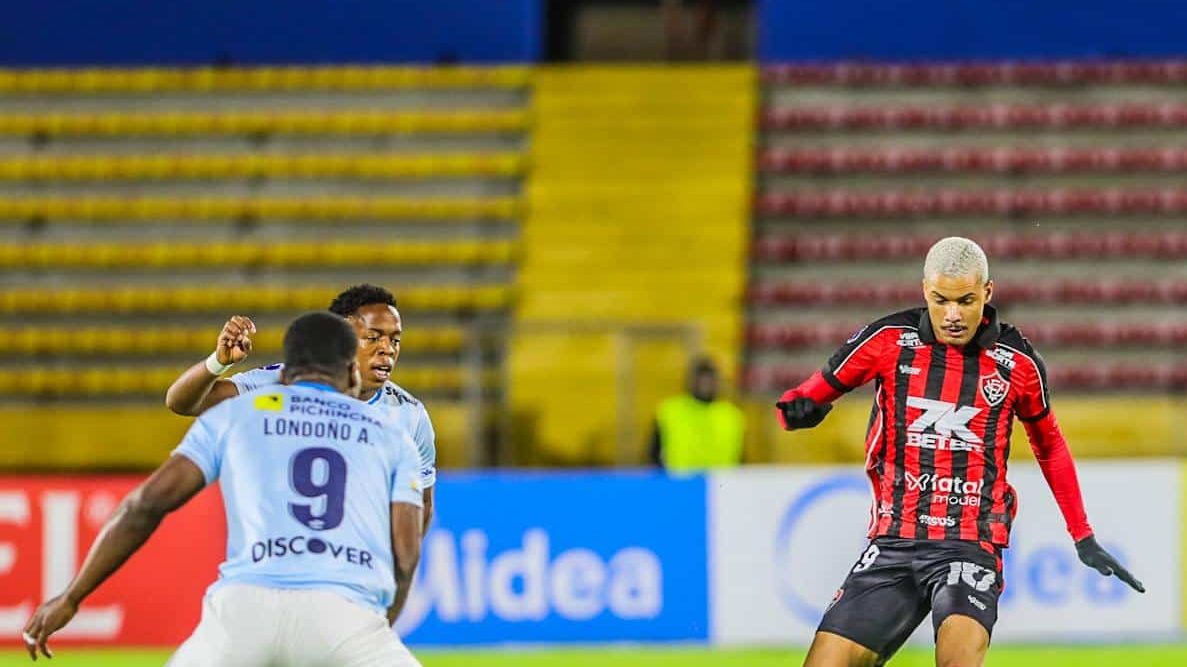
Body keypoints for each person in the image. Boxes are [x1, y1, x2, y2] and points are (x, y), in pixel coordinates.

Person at [774, 237, 1144, 667]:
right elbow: (799, 401)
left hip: (970, 545)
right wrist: (799, 413)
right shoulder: (887, 340)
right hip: (894, 542)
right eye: (941, 300)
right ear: (924, 290)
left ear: (987, 292)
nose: (952, 315)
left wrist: (1082, 533)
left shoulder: (1018, 363)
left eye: (965, 301)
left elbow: (1050, 445)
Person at [23, 312, 425, 665]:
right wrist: (376, 625)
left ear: (285, 376)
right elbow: (405, 556)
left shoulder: (234, 414)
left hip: (244, 612)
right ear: (352, 373)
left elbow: (144, 505)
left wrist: (71, 597)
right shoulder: (394, 435)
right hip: (344, 616)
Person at [165, 284, 437, 534]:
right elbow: (182, 402)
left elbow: (422, 502)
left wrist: (393, 563)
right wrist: (218, 362)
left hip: (349, 563)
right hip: (277, 552)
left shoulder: (410, 416)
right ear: (340, 339)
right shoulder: (284, 382)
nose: (387, 349)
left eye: (395, 340)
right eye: (373, 337)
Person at [649, 357, 745, 471]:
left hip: (721, 480)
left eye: (710, 378)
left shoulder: (733, 416)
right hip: (680, 479)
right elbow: (654, 454)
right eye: (701, 377)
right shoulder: (669, 411)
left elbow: (740, 458)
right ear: (690, 380)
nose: (705, 383)